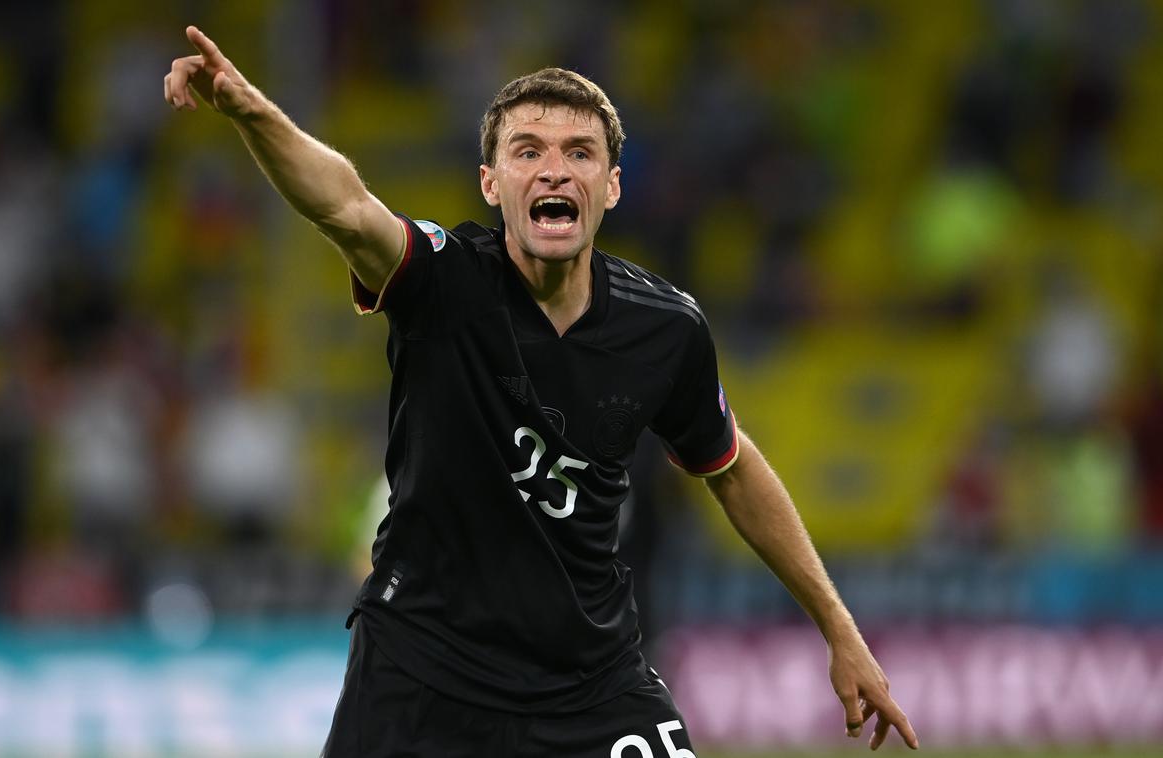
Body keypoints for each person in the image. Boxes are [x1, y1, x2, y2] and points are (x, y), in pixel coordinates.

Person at [165, 25, 919, 757]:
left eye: (579, 153)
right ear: (492, 183)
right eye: (528, 152)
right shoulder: (443, 281)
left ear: (612, 186)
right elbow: (345, 206)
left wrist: (839, 630)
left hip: (588, 684)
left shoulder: (666, 330)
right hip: (422, 671)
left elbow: (732, 468)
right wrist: (251, 110)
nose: (554, 170)